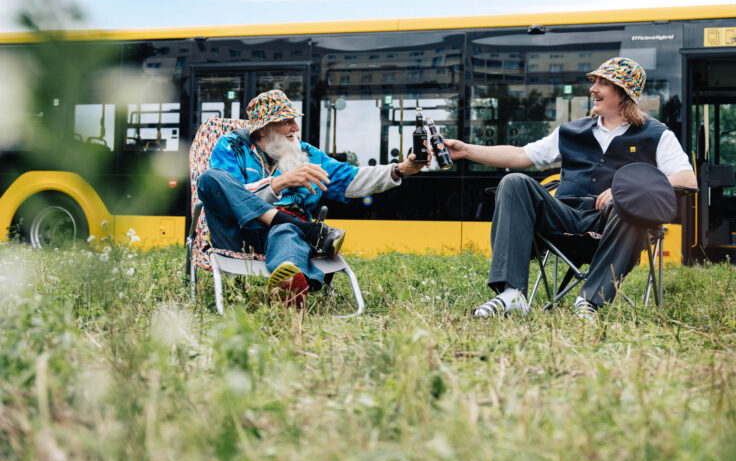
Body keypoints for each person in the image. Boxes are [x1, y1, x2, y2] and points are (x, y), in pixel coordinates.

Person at [444, 57, 697, 319]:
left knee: (627, 203)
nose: (593, 89)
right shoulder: (571, 131)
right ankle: (512, 294)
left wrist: (629, 190)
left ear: (624, 93)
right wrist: (466, 150)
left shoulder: (656, 134)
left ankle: (589, 303)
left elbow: (687, 180)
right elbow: (521, 155)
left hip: (613, 225)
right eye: (595, 82)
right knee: (514, 182)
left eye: (603, 83)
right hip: (563, 219)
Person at [197, 89, 427, 304]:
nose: (295, 127)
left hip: (285, 233)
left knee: (287, 231)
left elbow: (350, 178)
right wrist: (280, 182)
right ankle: (305, 230)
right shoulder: (231, 146)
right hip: (237, 233)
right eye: (286, 121)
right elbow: (228, 195)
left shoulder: (306, 154)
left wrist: (401, 169)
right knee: (209, 178)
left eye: (294, 120)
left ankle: (289, 290)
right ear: (263, 129)